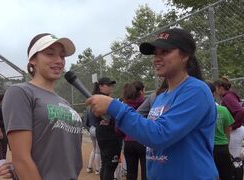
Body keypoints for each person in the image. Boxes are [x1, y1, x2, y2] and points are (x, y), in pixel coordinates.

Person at [86, 28, 218, 179]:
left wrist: (114, 107)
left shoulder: (196, 90)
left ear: (185, 55)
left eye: (165, 52)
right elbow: (149, 138)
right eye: (156, 53)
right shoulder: (161, 97)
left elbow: (159, 135)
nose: (156, 58)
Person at [1, 33, 83, 180]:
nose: (58, 61)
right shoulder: (20, 92)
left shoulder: (65, 103)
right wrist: (19, 167)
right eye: (50, 54)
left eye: (62, 56)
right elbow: (22, 159)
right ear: (33, 60)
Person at [91, 77, 122, 180]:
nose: (110, 87)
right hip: (109, 136)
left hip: (104, 134)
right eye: (108, 85)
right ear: (100, 86)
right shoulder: (102, 100)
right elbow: (112, 117)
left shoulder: (98, 98)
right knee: (110, 165)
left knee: (105, 164)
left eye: (111, 85)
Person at [119, 81, 146, 180]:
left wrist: (125, 136)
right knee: (145, 172)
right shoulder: (146, 102)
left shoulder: (125, 105)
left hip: (128, 142)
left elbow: (119, 127)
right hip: (143, 142)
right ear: (141, 91)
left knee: (131, 173)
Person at [207, 82, 234, 180]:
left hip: (207, 149)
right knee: (226, 175)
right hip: (222, 148)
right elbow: (228, 131)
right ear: (214, 93)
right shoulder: (223, 110)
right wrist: (226, 144)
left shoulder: (200, 111)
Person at [85, 105, 101, 175]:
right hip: (97, 129)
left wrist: (90, 128)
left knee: (94, 149)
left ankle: (89, 167)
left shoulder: (88, 108)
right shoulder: (99, 106)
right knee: (98, 151)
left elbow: (85, 122)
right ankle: (97, 169)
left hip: (91, 128)